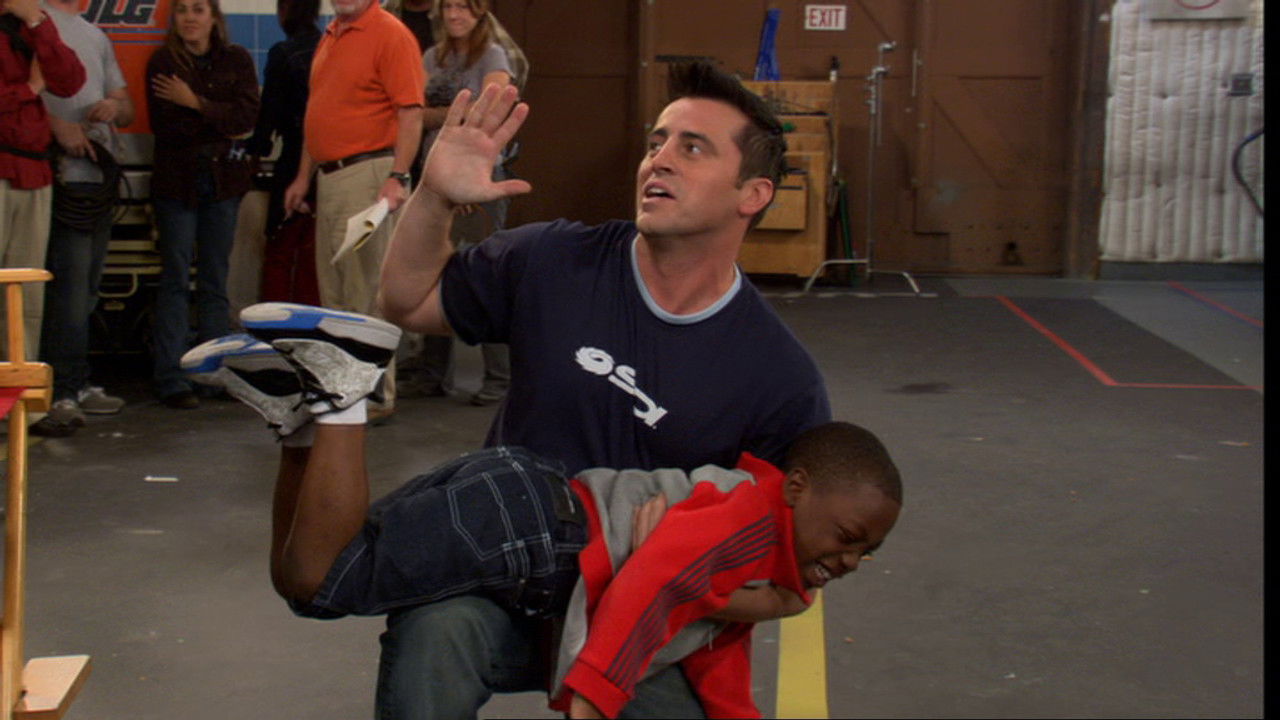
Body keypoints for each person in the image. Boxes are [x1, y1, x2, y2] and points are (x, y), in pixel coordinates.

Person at [178, 303, 901, 719]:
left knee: (309, 576)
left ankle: (299, 416)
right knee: (324, 579)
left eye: (865, 553)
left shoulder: (761, 556)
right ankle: (347, 385)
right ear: (795, 487)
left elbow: (714, 660)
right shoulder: (748, 524)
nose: (849, 560)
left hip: (522, 508)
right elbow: (652, 586)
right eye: (846, 536)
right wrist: (593, 698)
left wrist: (761, 601)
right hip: (533, 534)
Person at [377, 61, 832, 718]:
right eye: (657, 142)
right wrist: (434, 197)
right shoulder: (553, 261)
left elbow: (793, 578)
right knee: (432, 633)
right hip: (504, 579)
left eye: (692, 148)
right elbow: (406, 300)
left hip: (644, 620)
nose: (658, 160)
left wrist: (678, 572)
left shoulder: (780, 378)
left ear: (753, 194)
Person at [280, 0, 424, 423]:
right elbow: (319, 113)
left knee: (366, 291)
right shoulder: (332, 35)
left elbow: (410, 112)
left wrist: (398, 176)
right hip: (332, 177)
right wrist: (303, 177)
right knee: (336, 294)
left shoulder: (390, 34)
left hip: (369, 172)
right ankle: (347, 389)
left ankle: (374, 396)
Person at [397, 0, 521, 405]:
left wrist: (468, 175)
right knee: (434, 273)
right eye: (448, 6)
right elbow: (415, 113)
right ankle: (433, 374)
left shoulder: (493, 54)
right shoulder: (432, 56)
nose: (454, 15)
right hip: (436, 179)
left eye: (463, 7)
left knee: (486, 272)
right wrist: (450, 115)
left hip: (478, 177)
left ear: (479, 12)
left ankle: (500, 378)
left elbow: (492, 113)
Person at [144, 0, 259, 409]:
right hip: (176, 184)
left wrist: (195, 102)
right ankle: (172, 378)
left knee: (215, 280)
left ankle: (214, 375)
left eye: (198, 10)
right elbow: (168, 127)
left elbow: (246, 118)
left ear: (214, 18)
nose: (190, 18)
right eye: (182, 11)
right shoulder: (163, 62)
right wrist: (217, 118)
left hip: (223, 183)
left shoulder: (236, 59)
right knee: (175, 280)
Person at [29, 0, 134, 437]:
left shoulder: (94, 36)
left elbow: (126, 108)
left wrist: (112, 107)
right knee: (68, 294)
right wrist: (56, 126)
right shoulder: (31, 25)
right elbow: (20, 96)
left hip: (98, 181)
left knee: (87, 289)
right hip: (60, 178)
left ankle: (75, 380)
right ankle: (61, 389)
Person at [1, 0, 83, 361]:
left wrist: (36, 21)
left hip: (34, 172)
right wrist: (31, 89)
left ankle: (19, 388)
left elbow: (70, 81)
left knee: (26, 292)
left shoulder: (29, 25)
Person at [245, 0, 320, 306]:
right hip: (329, 163)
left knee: (280, 249)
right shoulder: (329, 47)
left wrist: (255, 149)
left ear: (284, 12)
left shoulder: (283, 53)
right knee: (313, 256)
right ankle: (310, 324)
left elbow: (270, 114)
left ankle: (275, 324)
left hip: (292, 162)